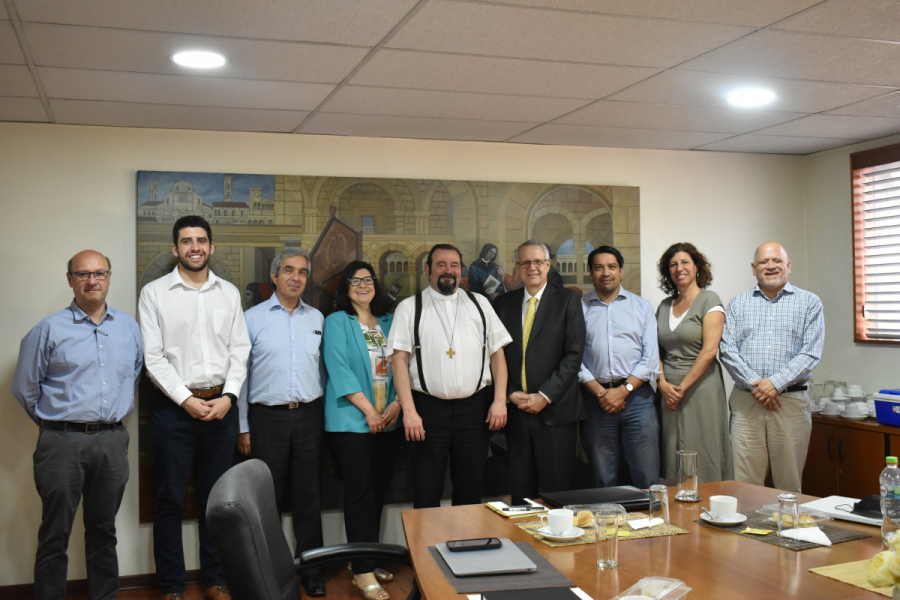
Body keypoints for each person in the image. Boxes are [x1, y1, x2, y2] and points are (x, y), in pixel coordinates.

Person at [12, 251, 142, 600]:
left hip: (113, 442)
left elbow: (133, 376)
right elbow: (25, 388)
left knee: (104, 531)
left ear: (109, 277)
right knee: (55, 533)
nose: (92, 281)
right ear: (70, 279)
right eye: (83, 274)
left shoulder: (129, 328)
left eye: (99, 273)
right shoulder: (48, 329)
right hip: (62, 443)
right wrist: (56, 425)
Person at [139, 215, 251, 600]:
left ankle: (215, 580)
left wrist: (229, 397)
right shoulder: (155, 293)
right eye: (186, 241)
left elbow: (240, 350)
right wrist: (186, 400)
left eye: (201, 240)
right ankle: (172, 586)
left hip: (221, 408)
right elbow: (152, 358)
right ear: (175, 249)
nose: (195, 247)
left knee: (215, 502)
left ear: (211, 246)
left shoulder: (229, 294)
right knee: (169, 498)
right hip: (174, 411)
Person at [387, 244, 511, 508]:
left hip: (474, 410)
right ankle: (426, 550)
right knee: (426, 490)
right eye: (441, 264)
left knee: (470, 490)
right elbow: (399, 362)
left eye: (454, 265)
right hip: (426, 412)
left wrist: (499, 401)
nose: (448, 271)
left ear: (462, 270)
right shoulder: (409, 308)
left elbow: (497, 355)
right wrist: (409, 412)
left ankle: (467, 547)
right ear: (427, 269)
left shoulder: (480, 305)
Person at [236, 247, 327, 596]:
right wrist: (242, 427)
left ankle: (313, 572)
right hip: (266, 420)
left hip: (308, 417)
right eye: (288, 270)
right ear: (274, 276)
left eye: (302, 272)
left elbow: (320, 371)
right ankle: (271, 574)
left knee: (309, 497)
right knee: (265, 501)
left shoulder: (317, 319)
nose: (296, 277)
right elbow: (240, 377)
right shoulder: (252, 319)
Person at [323, 261, 403, 600]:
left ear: (376, 285)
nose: (362, 285)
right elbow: (338, 368)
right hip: (353, 421)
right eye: (354, 281)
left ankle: (369, 558)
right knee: (359, 495)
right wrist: (370, 411)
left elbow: (404, 365)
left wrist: (397, 404)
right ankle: (361, 570)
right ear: (345, 289)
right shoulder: (337, 321)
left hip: (389, 421)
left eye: (367, 280)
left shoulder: (390, 322)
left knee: (379, 491)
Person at [719, 241, 824, 493]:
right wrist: (759, 386)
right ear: (754, 268)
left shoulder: (810, 302)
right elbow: (726, 349)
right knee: (745, 485)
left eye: (776, 260)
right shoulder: (737, 304)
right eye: (764, 262)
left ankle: (788, 532)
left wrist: (775, 384)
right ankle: (744, 533)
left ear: (788, 266)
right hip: (747, 403)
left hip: (790, 402)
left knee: (789, 485)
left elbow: (810, 353)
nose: (770, 266)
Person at [493, 241, 586, 505]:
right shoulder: (503, 304)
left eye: (537, 262)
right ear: (518, 268)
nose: (531, 267)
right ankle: (525, 546)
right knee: (521, 496)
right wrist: (510, 393)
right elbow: (496, 355)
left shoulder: (568, 301)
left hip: (555, 413)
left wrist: (544, 395)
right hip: (517, 412)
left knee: (557, 496)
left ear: (548, 265)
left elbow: (573, 355)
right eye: (525, 263)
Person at [579, 246, 660, 488]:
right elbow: (573, 358)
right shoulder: (578, 308)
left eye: (612, 267)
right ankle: (608, 524)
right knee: (603, 477)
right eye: (599, 267)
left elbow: (650, 359)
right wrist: (602, 393)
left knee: (646, 476)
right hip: (596, 401)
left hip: (638, 400)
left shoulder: (642, 307)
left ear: (621, 271)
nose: (606, 272)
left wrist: (623, 390)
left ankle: (652, 525)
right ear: (591, 273)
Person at [655, 242, 732, 484]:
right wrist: (662, 383)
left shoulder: (709, 300)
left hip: (700, 387)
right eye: (673, 264)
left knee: (702, 446)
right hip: (667, 390)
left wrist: (682, 388)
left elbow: (710, 351)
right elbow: (653, 349)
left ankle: (707, 507)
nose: (679, 268)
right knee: (670, 448)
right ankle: (675, 513)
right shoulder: (664, 305)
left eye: (685, 262)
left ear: (697, 266)